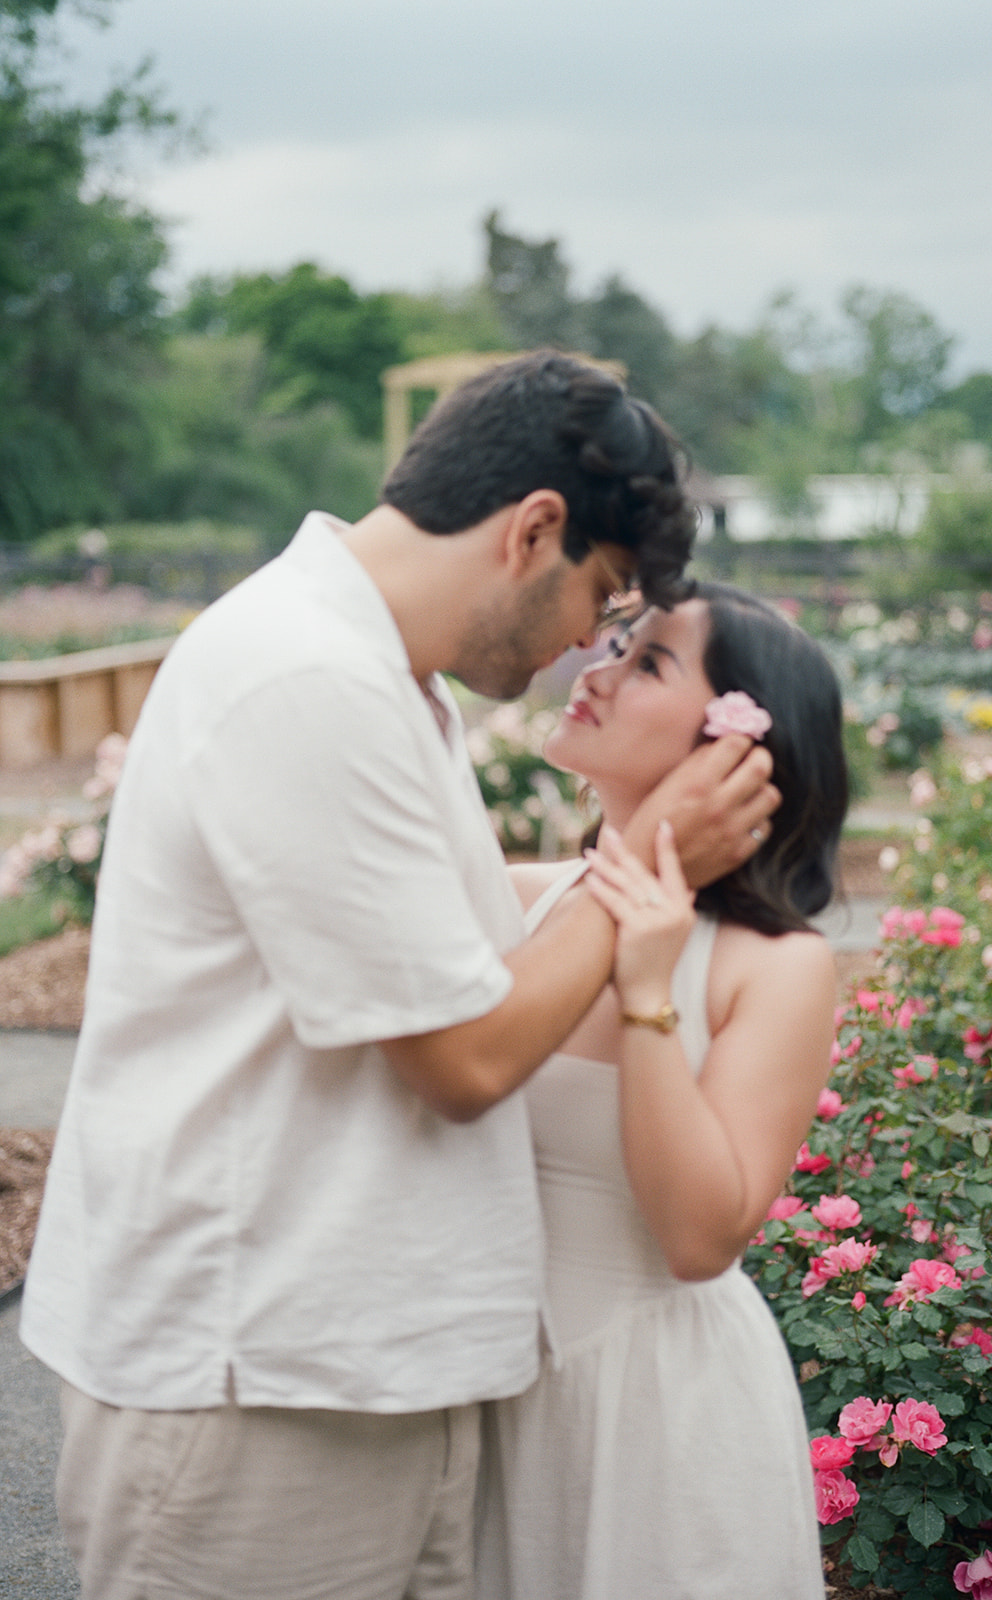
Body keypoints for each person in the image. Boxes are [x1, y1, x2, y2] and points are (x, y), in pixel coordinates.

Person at [20, 352, 778, 1600]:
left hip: (357, 1371)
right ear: (533, 529)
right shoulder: (305, 676)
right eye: (600, 592)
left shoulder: (381, 677)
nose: (593, 637)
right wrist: (646, 858)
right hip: (258, 1390)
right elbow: (464, 1057)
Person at [476, 582, 849, 1600]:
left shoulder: (771, 966)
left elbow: (697, 1238)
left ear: (732, 749)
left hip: (659, 1415)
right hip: (483, 1393)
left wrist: (646, 994)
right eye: (614, 644)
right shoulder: (512, 900)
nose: (592, 669)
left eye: (647, 663)